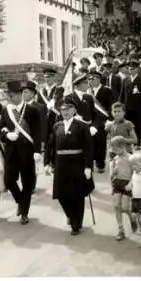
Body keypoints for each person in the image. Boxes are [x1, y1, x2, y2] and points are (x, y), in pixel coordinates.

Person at [44, 97, 94, 236]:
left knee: (77, 195)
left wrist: (88, 167)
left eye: (68, 109)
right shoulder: (57, 126)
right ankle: (71, 216)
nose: (65, 111)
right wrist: (47, 163)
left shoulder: (82, 126)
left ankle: (76, 223)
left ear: (74, 110)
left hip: (77, 164)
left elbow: (89, 148)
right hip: (61, 164)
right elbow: (50, 146)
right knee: (61, 195)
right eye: (63, 109)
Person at [0, 80, 41, 225]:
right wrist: (7, 135)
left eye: (14, 95)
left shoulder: (31, 110)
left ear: (20, 94)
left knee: (27, 182)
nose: (11, 98)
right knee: (8, 181)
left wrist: (37, 151)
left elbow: (36, 132)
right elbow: (2, 128)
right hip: (11, 151)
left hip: (27, 151)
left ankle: (24, 212)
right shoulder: (6, 110)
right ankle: (21, 202)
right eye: (9, 95)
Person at [109, 136, 137, 241]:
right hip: (117, 183)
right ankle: (121, 230)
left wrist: (130, 183)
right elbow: (112, 175)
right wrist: (113, 173)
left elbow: (135, 173)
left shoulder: (130, 158)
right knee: (116, 206)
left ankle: (132, 218)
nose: (114, 151)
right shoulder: (115, 159)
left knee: (125, 208)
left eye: (115, 149)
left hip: (127, 184)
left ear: (122, 146)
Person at [21, 80, 46, 191]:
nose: (23, 94)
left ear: (32, 93)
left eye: (26, 92)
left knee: (32, 163)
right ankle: (25, 184)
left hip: (33, 139)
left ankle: (31, 186)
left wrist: (42, 141)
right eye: (23, 92)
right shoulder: (18, 107)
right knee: (22, 163)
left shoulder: (40, 107)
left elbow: (43, 125)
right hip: (21, 140)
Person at [87, 71, 113, 173]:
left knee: (101, 142)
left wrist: (110, 120)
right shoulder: (88, 91)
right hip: (90, 120)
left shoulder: (107, 90)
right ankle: (93, 160)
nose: (90, 81)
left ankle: (100, 163)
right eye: (89, 79)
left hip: (102, 120)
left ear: (98, 79)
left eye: (92, 79)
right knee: (91, 141)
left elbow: (112, 105)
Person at [121, 58, 141, 146]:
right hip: (127, 107)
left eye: (133, 68)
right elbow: (122, 94)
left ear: (137, 69)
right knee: (127, 126)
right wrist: (120, 105)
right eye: (129, 68)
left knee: (137, 126)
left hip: (138, 107)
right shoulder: (125, 80)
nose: (131, 70)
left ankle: (137, 142)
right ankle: (129, 143)